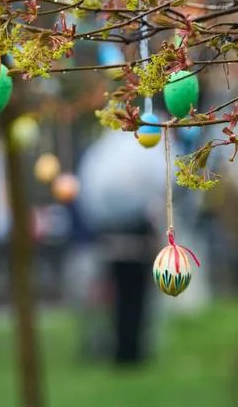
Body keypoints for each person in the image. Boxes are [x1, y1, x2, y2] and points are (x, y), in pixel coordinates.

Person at [75, 127, 165, 365]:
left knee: (121, 299)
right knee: (134, 299)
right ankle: (130, 351)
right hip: (135, 240)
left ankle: (124, 350)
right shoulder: (134, 152)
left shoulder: (102, 156)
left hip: (113, 239)